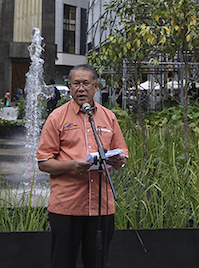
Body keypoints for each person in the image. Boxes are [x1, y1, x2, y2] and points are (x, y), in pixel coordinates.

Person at [36, 64, 128, 268]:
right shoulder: (57, 118)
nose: (81, 88)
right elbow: (43, 162)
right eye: (75, 84)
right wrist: (70, 165)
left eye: (86, 83)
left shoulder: (109, 117)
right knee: (62, 263)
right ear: (69, 87)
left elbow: (121, 154)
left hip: (101, 208)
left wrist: (119, 161)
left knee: (97, 263)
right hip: (66, 207)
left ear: (96, 87)